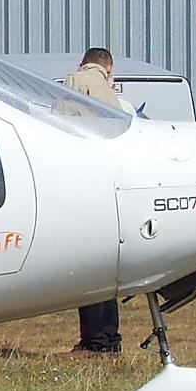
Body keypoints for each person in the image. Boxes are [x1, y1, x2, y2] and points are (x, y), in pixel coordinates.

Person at [63, 48, 128, 355]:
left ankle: (95, 339)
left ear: (82, 63)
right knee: (105, 267)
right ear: (109, 67)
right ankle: (107, 338)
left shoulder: (71, 83)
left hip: (80, 188)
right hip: (108, 191)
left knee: (88, 267)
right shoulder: (110, 95)